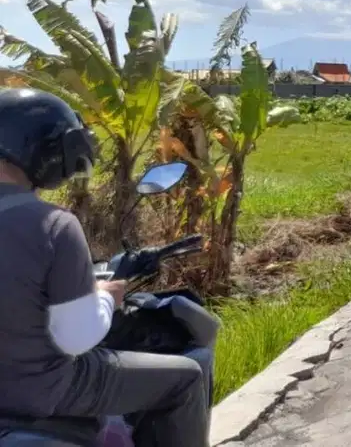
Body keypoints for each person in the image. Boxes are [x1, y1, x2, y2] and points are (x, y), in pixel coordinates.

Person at [0, 87, 208, 446]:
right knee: (186, 377)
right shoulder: (52, 225)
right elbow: (76, 337)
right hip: (41, 391)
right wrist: (106, 297)